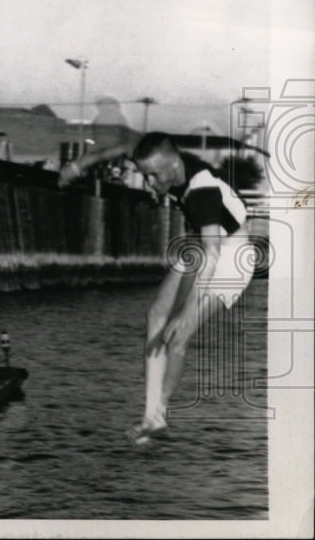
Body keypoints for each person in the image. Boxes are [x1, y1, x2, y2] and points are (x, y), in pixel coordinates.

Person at [123, 132, 251, 444]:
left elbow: (213, 254)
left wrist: (188, 312)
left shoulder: (202, 192)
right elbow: (122, 146)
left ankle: (158, 414)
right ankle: (150, 415)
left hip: (229, 257)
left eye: (153, 175)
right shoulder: (175, 165)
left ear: (173, 164)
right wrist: (82, 163)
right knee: (156, 316)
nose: (150, 183)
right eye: (145, 175)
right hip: (201, 249)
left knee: (179, 333)